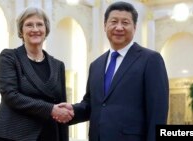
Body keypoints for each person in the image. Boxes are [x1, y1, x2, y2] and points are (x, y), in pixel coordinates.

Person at [57, 1, 169, 141]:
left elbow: (157, 112)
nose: (119, 27)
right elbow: (92, 104)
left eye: (125, 22)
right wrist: (72, 110)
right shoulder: (96, 65)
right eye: (114, 21)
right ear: (105, 26)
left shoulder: (151, 60)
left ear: (134, 27)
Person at [0, 6, 73, 141]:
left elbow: (61, 104)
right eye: (29, 25)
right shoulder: (9, 57)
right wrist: (50, 109)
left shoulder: (58, 65)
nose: (35, 29)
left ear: (46, 30)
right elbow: (11, 95)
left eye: (39, 24)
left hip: (48, 135)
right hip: (12, 135)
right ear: (21, 31)